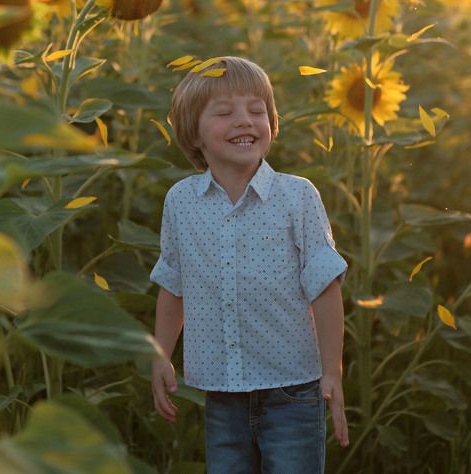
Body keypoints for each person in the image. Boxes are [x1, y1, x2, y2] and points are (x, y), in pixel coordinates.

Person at [149, 56, 350, 474]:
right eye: (224, 112)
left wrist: (332, 371)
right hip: (222, 391)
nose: (244, 120)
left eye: (257, 110)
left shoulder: (297, 197)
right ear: (193, 133)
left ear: (272, 124)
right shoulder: (181, 202)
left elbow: (325, 286)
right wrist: (160, 355)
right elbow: (173, 285)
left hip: (293, 389)